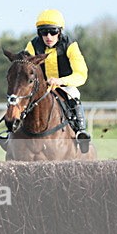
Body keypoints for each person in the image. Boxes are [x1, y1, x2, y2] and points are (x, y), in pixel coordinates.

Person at [24, 9, 90, 150]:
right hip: (40, 87)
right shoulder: (32, 46)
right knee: (21, 97)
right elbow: (25, 69)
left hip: (64, 86)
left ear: (59, 32)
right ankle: (12, 132)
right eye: (44, 32)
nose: (48, 36)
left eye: (53, 32)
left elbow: (81, 74)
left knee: (74, 94)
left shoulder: (70, 46)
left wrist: (61, 81)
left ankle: (80, 131)